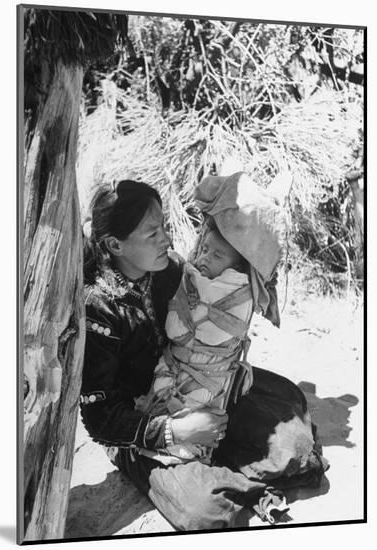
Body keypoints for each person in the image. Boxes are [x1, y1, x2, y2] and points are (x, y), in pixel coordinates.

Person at [80, 174, 328, 531]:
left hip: (201, 386)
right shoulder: (98, 309)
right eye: (152, 234)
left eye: (163, 226)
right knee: (206, 511)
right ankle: (234, 479)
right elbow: (100, 418)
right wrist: (177, 431)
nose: (166, 238)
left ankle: (222, 456)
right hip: (143, 423)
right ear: (115, 246)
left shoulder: (168, 269)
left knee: (295, 444)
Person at [134, 218, 255, 464]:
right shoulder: (247, 291)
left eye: (217, 255)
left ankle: (181, 446)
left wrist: (189, 274)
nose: (205, 258)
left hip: (193, 382)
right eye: (205, 249)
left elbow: (175, 329)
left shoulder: (220, 287)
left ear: (237, 267)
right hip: (209, 383)